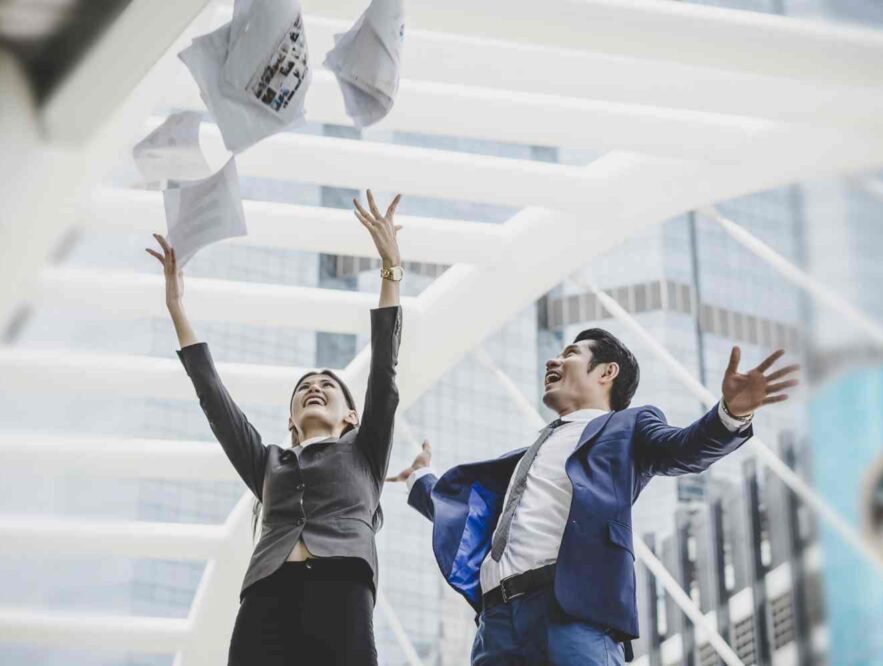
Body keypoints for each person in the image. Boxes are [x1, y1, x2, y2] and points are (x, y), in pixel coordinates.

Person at [387, 329, 799, 665]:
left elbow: (684, 449)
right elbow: (468, 515)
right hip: (496, 626)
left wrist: (731, 413)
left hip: (571, 616)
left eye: (568, 353)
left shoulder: (628, 427)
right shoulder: (526, 460)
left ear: (606, 372)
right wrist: (419, 478)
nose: (552, 361)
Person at [147, 190, 405, 666]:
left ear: (351, 415)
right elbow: (215, 401)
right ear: (290, 418)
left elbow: (384, 373)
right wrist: (177, 308)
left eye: (329, 384)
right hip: (267, 595)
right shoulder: (267, 462)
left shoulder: (365, 452)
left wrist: (390, 269)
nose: (315, 387)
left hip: (341, 588)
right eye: (304, 385)